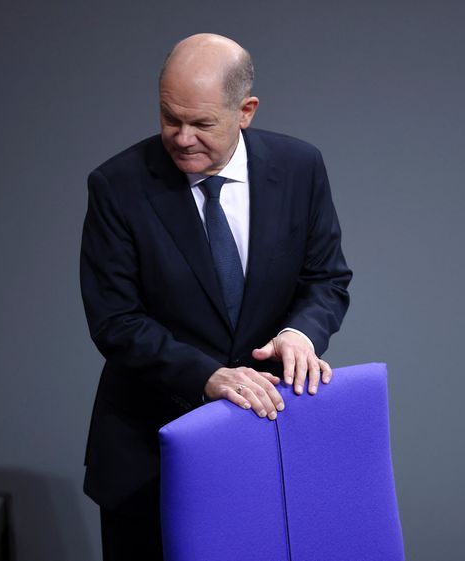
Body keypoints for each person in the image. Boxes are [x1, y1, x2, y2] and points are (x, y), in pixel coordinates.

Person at [80, 33, 351, 561]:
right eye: (169, 118)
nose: (181, 138)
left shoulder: (299, 168)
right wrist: (206, 375)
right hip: (149, 453)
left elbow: (326, 278)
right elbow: (115, 319)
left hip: (268, 448)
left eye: (201, 123)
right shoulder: (117, 185)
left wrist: (300, 334)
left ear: (245, 111)